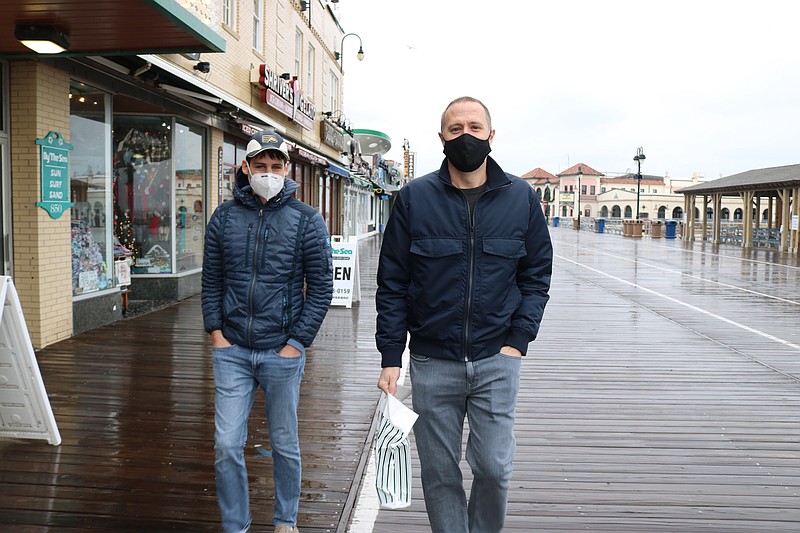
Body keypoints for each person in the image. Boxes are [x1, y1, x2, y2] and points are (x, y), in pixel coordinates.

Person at [375, 96, 553, 533]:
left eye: (475, 128)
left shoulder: (521, 199)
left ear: (491, 136)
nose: (466, 136)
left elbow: (536, 275)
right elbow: (393, 282)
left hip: (497, 358)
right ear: (441, 138)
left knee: (494, 468)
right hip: (434, 362)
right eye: (456, 129)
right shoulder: (415, 198)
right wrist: (390, 357)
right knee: (439, 474)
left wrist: (518, 340)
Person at [202, 130, 333, 533]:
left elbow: (322, 286)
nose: (269, 173)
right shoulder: (223, 217)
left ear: (286, 169)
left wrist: (296, 343)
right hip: (233, 351)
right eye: (261, 165)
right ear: (246, 167)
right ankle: (235, 525)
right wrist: (217, 334)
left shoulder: (307, 219)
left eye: (276, 166)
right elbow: (211, 281)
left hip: (282, 352)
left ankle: (285, 520)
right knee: (226, 445)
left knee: (285, 445)